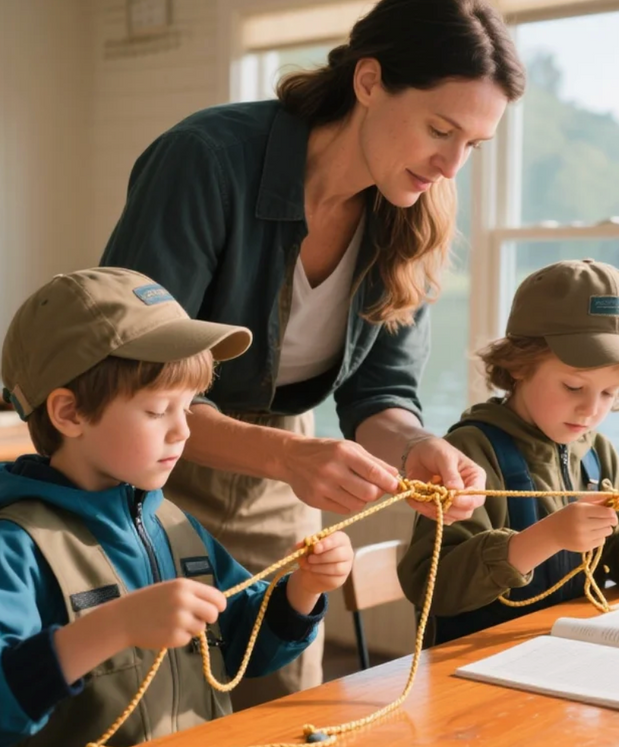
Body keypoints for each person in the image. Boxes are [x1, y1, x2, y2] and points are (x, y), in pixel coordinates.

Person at [99, 0, 525, 703]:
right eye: (440, 130)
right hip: (140, 478)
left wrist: (414, 444)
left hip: (279, 485)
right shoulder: (206, 160)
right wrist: (290, 458)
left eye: (473, 146)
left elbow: (379, 396)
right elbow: (134, 385)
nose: (450, 165)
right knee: (150, 710)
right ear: (368, 82)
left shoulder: (415, 215)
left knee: (285, 712)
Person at [0, 268, 353, 747]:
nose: (183, 429)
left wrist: (302, 592)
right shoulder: (14, 546)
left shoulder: (171, 522)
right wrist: (111, 627)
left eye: (188, 407)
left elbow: (239, 648)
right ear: (69, 412)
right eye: (157, 410)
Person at [397, 260, 619, 645]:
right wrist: (547, 537)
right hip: (472, 673)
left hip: (566, 661)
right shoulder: (470, 453)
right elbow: (434, 588)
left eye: (609, 393)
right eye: (574, 387)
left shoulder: (597, 453)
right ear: (518, 366)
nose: (591, 410)